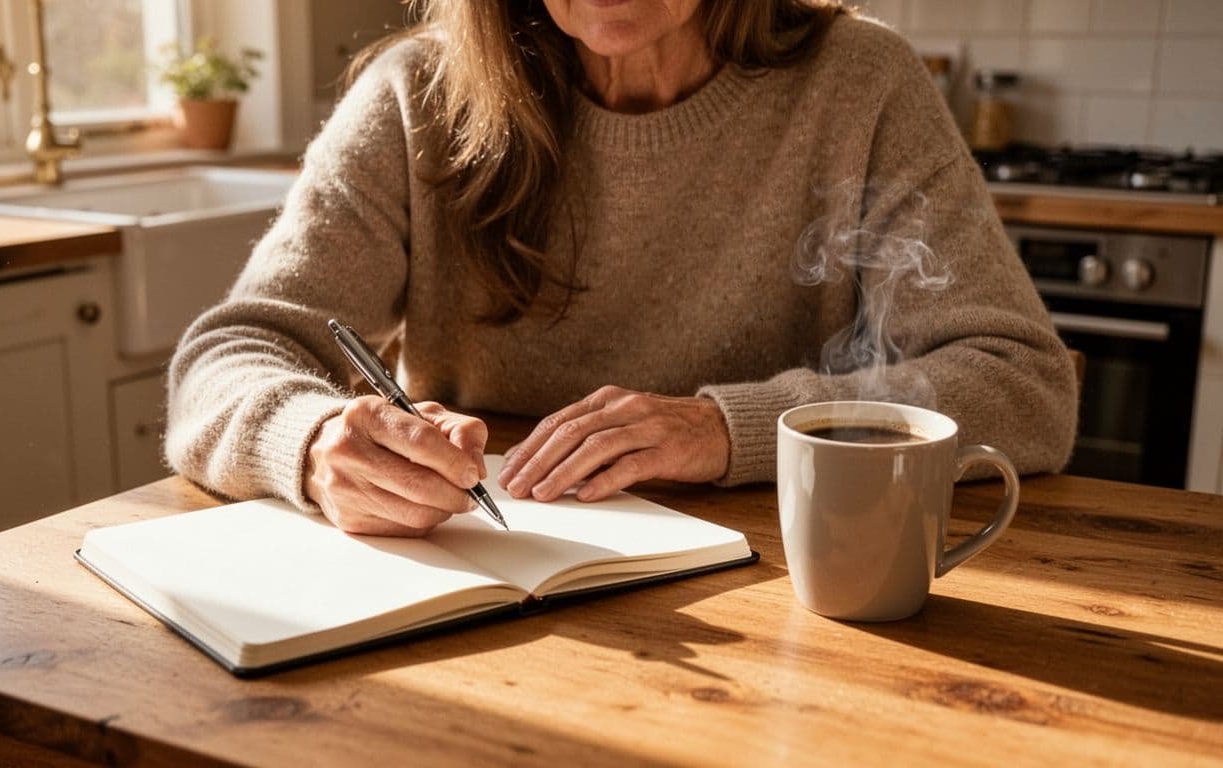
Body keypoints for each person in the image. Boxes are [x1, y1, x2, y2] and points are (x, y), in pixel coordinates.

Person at [166, 0, 1077, 536]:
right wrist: (315, 440)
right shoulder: (419, 96)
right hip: (484, 581)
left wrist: (728, 429)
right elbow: (232, 354)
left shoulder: (860, 81)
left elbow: (1021, 384)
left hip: (786, 597)